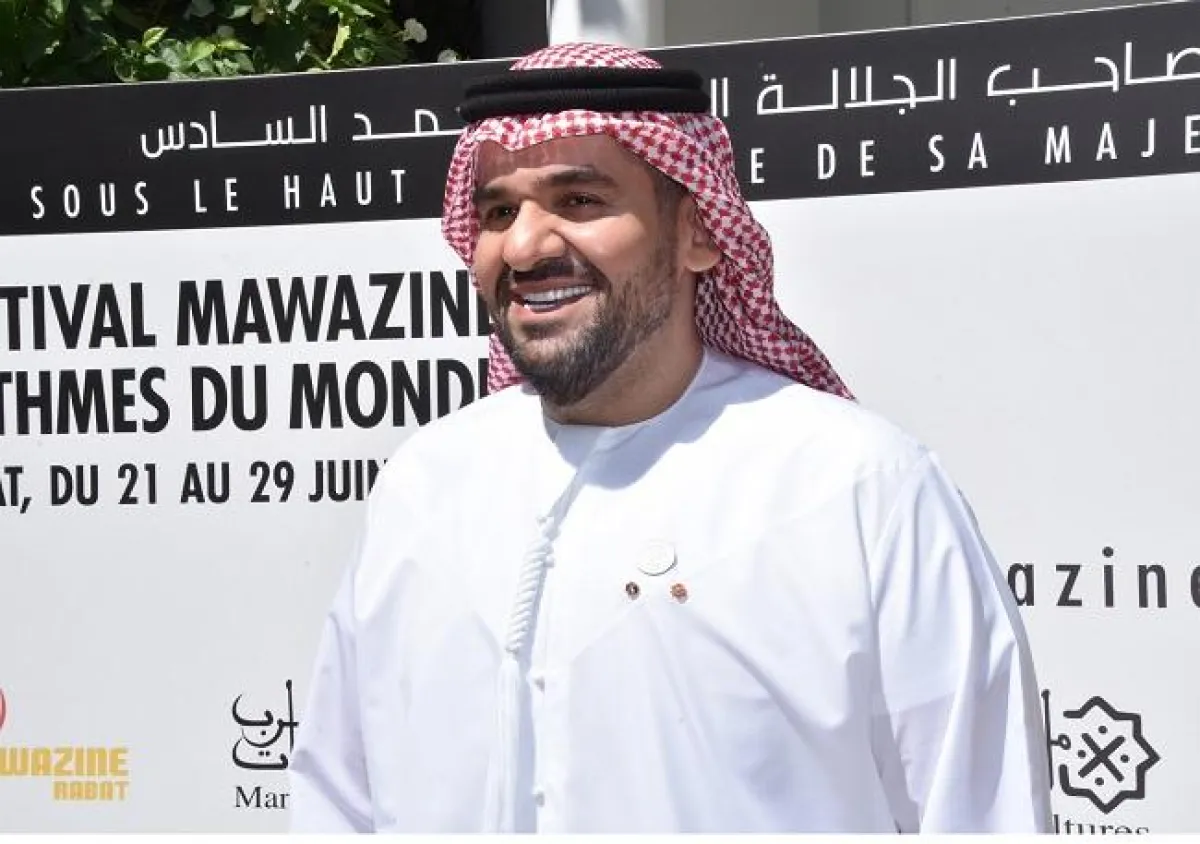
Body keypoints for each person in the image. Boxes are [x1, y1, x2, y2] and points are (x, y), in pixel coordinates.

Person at [287, 41, 1052, 834]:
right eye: (498, 213)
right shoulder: (426, 482)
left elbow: (982, 815)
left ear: (698, 231)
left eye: (580, 200)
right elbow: (338, 804)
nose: (524, 247)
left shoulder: (856, 486)